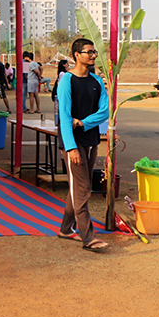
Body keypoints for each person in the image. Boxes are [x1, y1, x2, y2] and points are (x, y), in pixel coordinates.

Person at [57, 39, 110, 253]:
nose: (93, 55)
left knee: (78, 187)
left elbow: (104, 111)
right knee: (82, 188)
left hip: (91, 140)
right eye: (89, 52)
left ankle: (66, 229)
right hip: (73, 143)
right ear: (77, 55)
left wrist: (83, 123)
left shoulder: (96, 81)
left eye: (94, 52)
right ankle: (88, 237)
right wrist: (71, 148)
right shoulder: (66, 81)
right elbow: (64, 116)